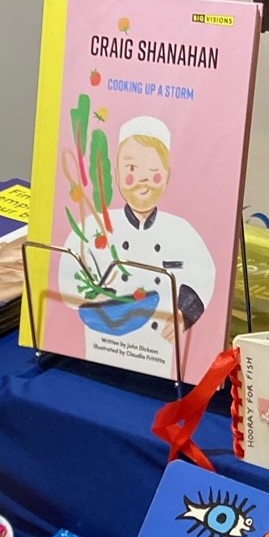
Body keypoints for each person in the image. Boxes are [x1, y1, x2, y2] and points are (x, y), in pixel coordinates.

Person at [56, 116, 217, 360]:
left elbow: (204, 275)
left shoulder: (182, 232)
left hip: (157, 352)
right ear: (117, 173)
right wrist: (91, 296)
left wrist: (185, 312)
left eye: (153, 171)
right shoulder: (91, 228)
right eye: (132, 169)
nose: (142, 180)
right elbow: (67, 276)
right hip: (100, 348)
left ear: (167, 175)